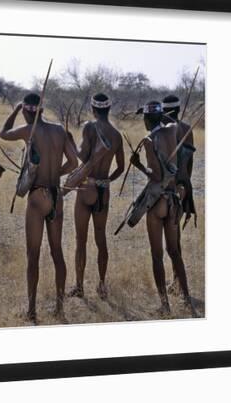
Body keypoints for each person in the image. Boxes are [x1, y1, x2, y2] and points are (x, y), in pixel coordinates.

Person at [0, 93, 78, 323]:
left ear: (26, 111)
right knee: (57, 253)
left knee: (33, 255)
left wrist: (14, 111)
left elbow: (4, 133)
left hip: (37, 197)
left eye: (23, 111)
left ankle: (32, 310)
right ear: (41, 111)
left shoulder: (28, 130)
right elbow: (74, 163)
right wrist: (56, 174)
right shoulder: (59, 131)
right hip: (56, 196)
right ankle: (60, 307)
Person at [129, 100, 195, 315]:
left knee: (157, 255)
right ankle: (187, 301)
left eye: (145, 118)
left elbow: (156, 176)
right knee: (175, 253)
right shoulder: (173, 130)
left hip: (158, 203)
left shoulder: (149, 140)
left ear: (149, 119)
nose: (144, 122)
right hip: (174, 200)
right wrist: (162, 116)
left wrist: (139, 166)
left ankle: (164, 305)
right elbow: (173, 122)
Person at [67, 93, 125, 300]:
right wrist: (107, 180)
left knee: (80, 240)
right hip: (103, 190)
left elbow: (83, 156)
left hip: (85, 188)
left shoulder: (89, 127)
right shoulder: (117, 135)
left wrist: (71, 142)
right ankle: (101, 285)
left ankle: (79, 286)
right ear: (109, 109)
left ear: (93, 109)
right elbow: (121, 167)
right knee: (101, 239)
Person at [161, 95, 197, 295]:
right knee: (175, 239)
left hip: (171, 188)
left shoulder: (165, 131)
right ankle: (177, 281)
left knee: (171, 244)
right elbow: (189, 162)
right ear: (178, 108)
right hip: (184, 186)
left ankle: (180, 286)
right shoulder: (187, 129)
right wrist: (186, 185)